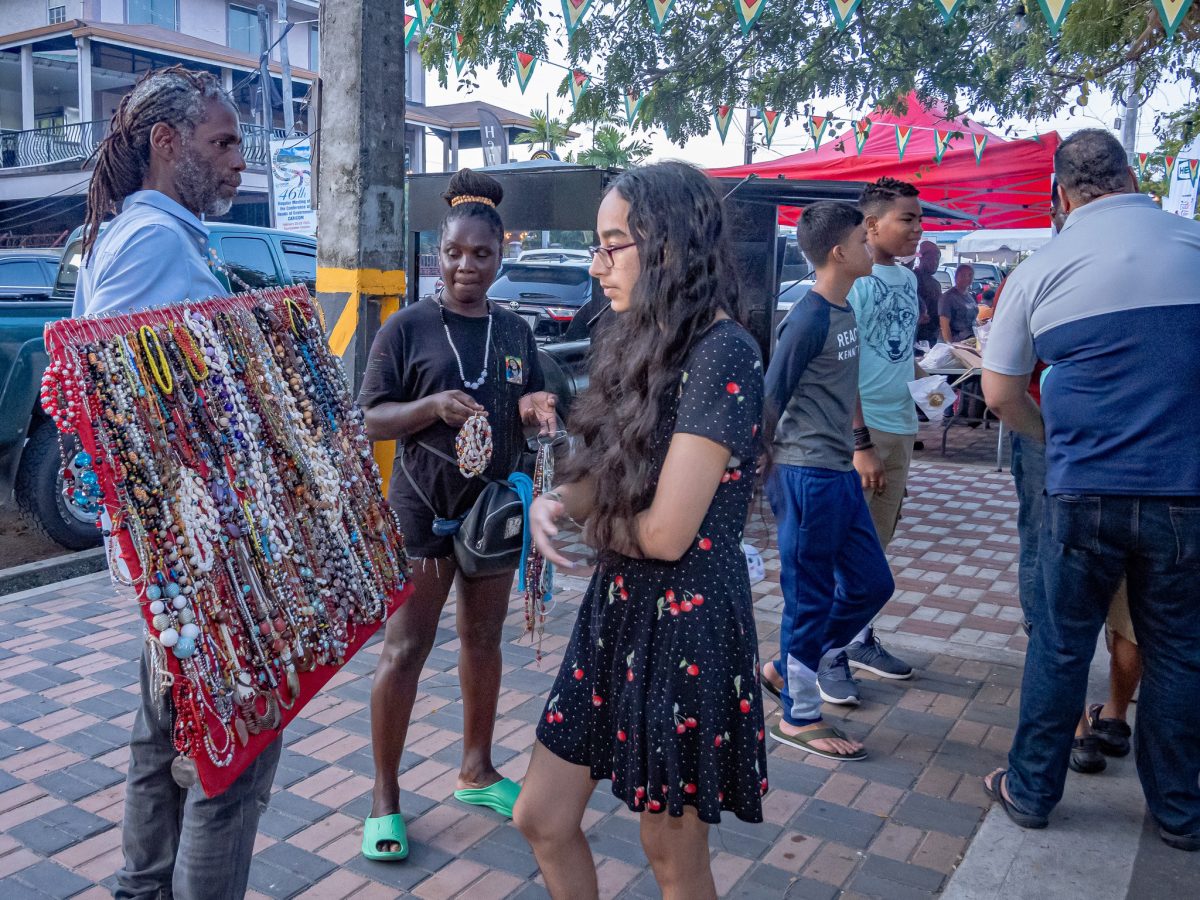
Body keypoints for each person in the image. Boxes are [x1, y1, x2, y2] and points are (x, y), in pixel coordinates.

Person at [514, 162, 768, 898]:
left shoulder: (724, 352)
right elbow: (605, 470)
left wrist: (590, 525)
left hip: (687, 626)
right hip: (620, 612)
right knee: (541, 815)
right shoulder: (642, 337)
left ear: (667, 244)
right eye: (597, 246)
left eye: (611, 245)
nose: (597, 267)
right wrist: (556, 500)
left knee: (672, 854)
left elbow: (664, 534)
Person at [74, 66, 281, 900]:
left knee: (163, 736)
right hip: (196, 553)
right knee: (235, 754)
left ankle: (139, 888)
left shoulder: (146, 235)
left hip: (175, 552)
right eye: (224, 143)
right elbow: (100, 391)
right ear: (167, 144)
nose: (240, 164)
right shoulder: (155, 242)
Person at [981, 129, 1200, 851]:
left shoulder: (1044, 266)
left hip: (1081, 495)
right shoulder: (1191, 243)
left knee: (1061, 643)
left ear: (1060, 195)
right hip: (1184, 495)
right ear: (1136, 176)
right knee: (1178, 652)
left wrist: (1054, 438)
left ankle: (1032, 789)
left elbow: (1000, 391)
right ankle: (1177, 811)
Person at [357, 169, 558, 859]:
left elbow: (533, 395)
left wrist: (536, 406)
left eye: (482, 255)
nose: (466, 267)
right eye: (453, 253)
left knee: (482, 642)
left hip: (491, 512)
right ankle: (385, 799)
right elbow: (371, 418)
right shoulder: (407, 327)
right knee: (405, 650)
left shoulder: (514, 330)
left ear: (501, 257)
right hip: (421, 512)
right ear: (435, 254)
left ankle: (476, 770)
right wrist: (430, 409)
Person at [757, 200, 894, 760]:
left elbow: (844, 387)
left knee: (870, 585)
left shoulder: (845, 311)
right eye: (865, 238)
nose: (873, 243)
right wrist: (757, 477)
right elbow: (770, 398)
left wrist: (860, 445)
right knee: (808, 600)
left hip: (837, 470)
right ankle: (799, 715)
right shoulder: (809, 317)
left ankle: (787, 665)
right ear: (839, 252)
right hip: (806, 474)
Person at [815, 177, 923, 707]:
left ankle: (857, 639)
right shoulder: (852, 279)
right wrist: (860, 442)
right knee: (845, 550)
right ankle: (825, 655)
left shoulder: (905, 280)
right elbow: (843, 366)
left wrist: (937, 372)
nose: (918, 230)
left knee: (876, 547)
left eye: (920, 219)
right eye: (908, 219)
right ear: (872, 224)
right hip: (863, 433)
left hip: (901, 425)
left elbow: (892, 352)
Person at [913, 239, 943, 346]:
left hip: (932, 337)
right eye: (931, 259)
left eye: (937, 259)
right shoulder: (912, 279)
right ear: (922, 258)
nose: (935, 263)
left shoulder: (936, 284)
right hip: (915, 337)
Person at [939, 263, 977, 343]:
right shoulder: (947, 297)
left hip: (971, 339)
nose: (967, 278)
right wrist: (950, 346)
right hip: (957, 341)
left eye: (970, 275)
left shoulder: (970, 296)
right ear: (956, 277)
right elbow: (944, 326)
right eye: (963, 275)